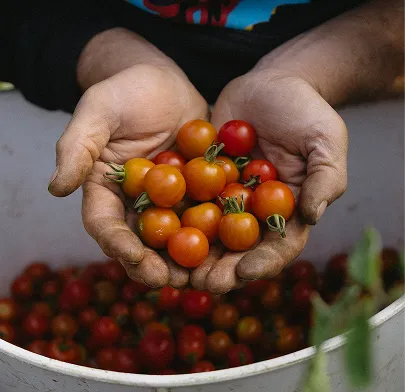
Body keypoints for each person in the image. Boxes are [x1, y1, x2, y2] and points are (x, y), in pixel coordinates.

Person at [2, 0, 405, 292]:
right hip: (110, 48)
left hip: (344, 62)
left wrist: (326, 65)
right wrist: (100, 56)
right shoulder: (203, 182)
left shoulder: (208, 182)